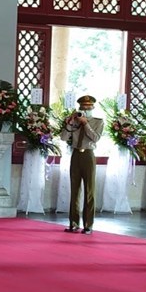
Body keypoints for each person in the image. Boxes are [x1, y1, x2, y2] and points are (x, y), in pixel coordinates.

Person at [59, 94, 103, 234]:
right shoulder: (74, 121)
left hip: (88, 155)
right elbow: (63, 137)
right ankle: (73, 223)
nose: (84, 109)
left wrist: (86, 123)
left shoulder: (98, 121)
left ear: (92, 108)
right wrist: (70, 122)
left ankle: (88, 225)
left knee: (89, 190)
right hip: (76, 154)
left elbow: (95, 138)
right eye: (82, 107)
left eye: (88, 107)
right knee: (74, 190)